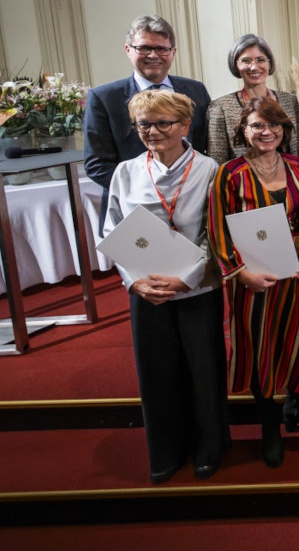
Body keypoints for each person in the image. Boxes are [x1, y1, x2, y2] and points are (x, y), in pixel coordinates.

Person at [102, 90, 226, 484]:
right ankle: (165, 451)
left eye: (162, 124)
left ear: (185, 126)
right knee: (156, 372)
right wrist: (133, 280)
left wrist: (187, 277)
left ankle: (209, 447)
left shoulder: (211, 170)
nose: (152, 132)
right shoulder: (126, 173)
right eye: (144, 125)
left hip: (196, 288)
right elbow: (112, 230)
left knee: (203, 371)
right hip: (147, 290)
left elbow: (216, 234)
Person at [207, 97, 299, 469]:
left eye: (273, 125)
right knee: (260, 345)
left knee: (297, 338)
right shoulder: (229, 173)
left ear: (284, 130)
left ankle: (297, 402)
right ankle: (269, 423)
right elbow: (216, 228)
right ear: (243, 130)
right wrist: (240, 273)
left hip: (296, 274)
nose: (266, 132)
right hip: (253, 278)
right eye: (257, 125)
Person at [85, 15, 210, 226]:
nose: (153, 55)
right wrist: (149, 194)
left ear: (173, 52)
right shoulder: (104, 98)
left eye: (162, 49)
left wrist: (190, 192)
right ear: (128, 50)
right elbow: (97, 164)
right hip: (135, 212)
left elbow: (205, 145)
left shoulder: (196, 90)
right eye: (144, 48)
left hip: (195, 209)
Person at [206, 34, 299, 164]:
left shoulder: (289, 101)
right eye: (246, 61)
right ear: (236, 65)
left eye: (260, 60)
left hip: (287, 178)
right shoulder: (220, 107)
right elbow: (217, 161)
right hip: (243, 182)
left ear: (269, 63)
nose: (254, 66)